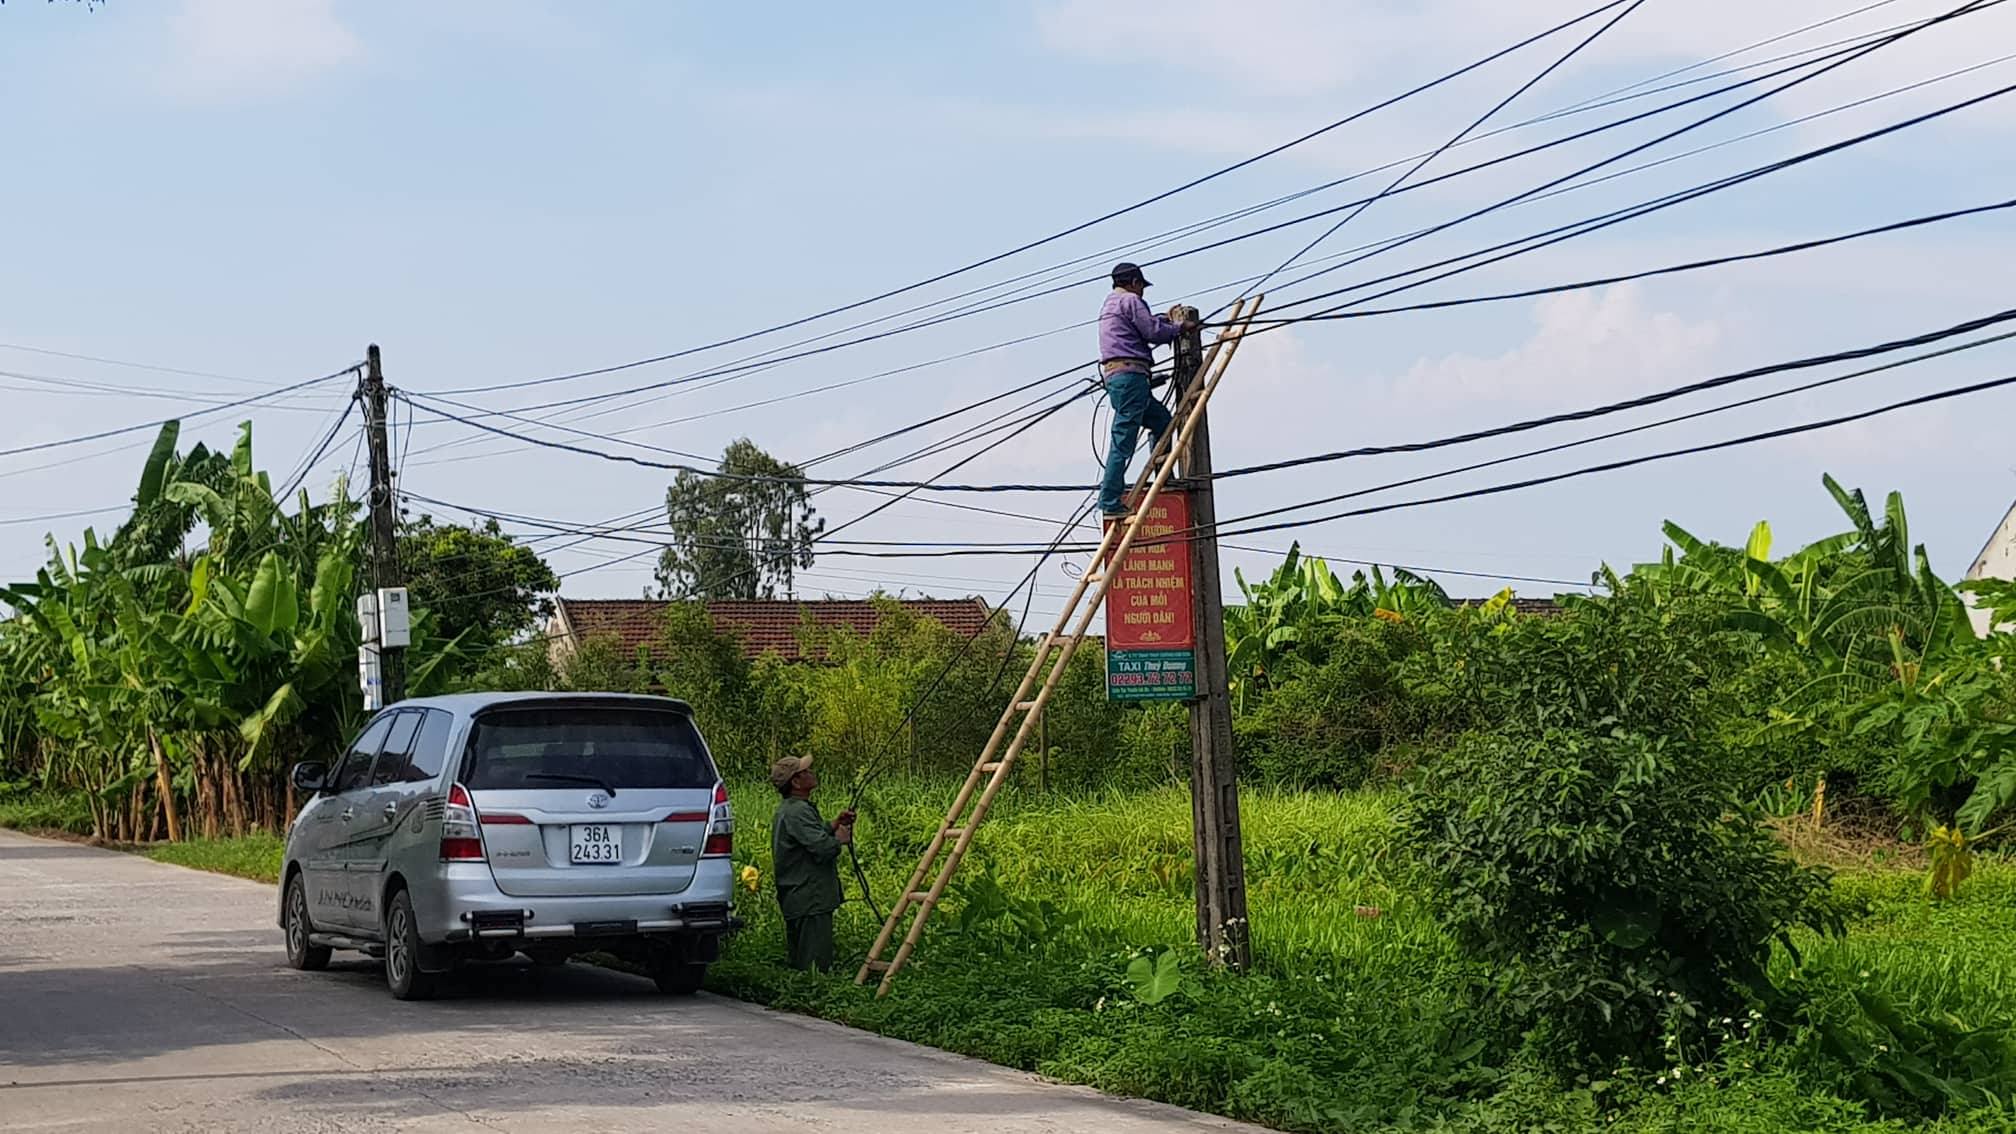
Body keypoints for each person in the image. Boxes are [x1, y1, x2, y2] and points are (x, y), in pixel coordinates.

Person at [1097, 262, 1198, 519]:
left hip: (1119, 378)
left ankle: (1163, 474)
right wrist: (1180, 328)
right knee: (1123, 441)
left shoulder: (1109, 304)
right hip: (1131, 376)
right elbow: (1152, 331)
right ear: (1134, 283)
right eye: (1141, 286)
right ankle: (1109, 500)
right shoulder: (1131, 301)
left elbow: (1145, 325)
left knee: (1161, 420)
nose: (1142, 291)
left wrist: (1164, 319)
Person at [768, 755, 854, 972]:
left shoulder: (791, 809)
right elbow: (822, 848)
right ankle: (815, 990)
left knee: (802, 960)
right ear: (796, 782)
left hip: (801, 896)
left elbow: (809, 836)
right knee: (815, 966)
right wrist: (839, 840)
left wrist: (834, 824)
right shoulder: (798, 811)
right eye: (805, 772)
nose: (811, 773)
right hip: (810, 897)